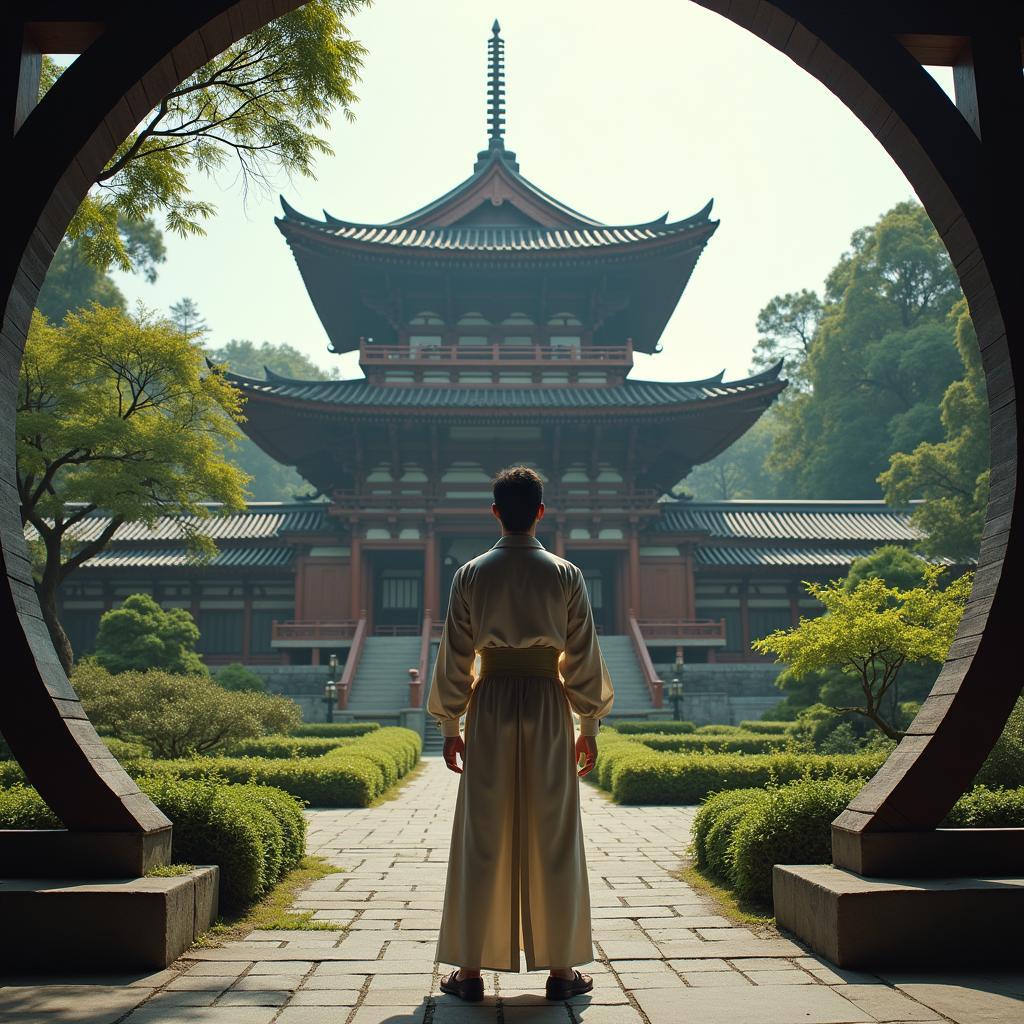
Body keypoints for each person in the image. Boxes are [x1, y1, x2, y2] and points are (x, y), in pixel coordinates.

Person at [427, 465, 615, 1002]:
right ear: (539, 512)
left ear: (494, 513)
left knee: (482, 833)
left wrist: (449, 725)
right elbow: (580, 656)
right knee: (553, 833)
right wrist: (589, 724)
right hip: (547, 703)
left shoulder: (469, 575)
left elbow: (456, 657)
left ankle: (467, 973)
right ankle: (561, 972)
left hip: (488, 705)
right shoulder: (565, 574)